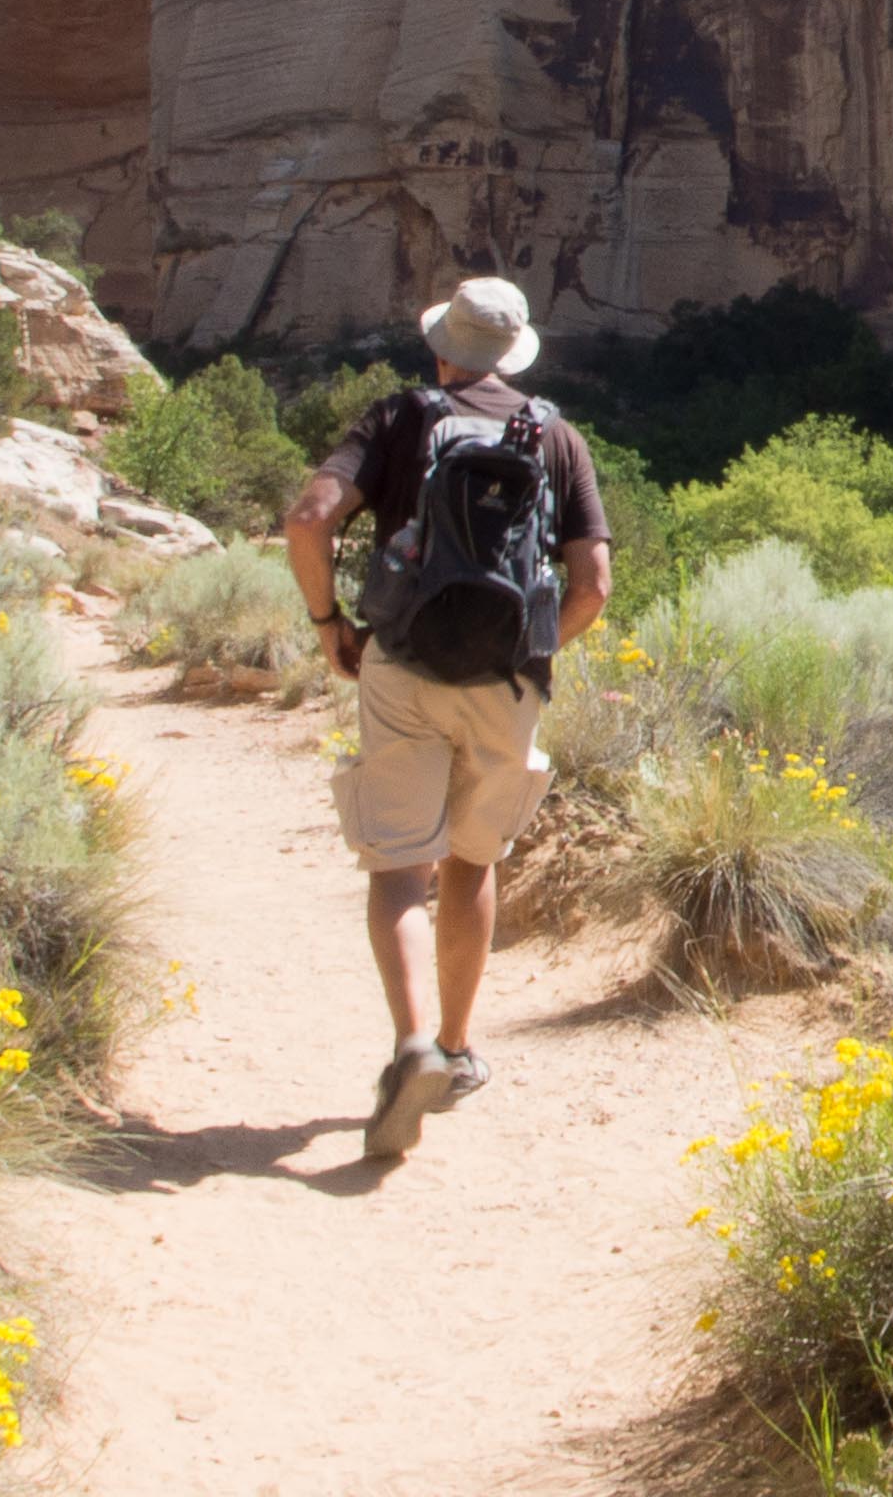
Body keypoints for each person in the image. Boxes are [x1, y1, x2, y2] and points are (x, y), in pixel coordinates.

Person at [279, 275, 612, 1156]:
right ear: (513, 354)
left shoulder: (400, 417)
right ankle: (458, 1051)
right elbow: (594, 587)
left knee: (400, 866)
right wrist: (531, 652)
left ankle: (413, 1044)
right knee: (473, 858)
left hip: (401, 665)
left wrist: (329, 625)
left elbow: (309, 519)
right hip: (507, 682)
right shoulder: (555, 435)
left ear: (443, 349)